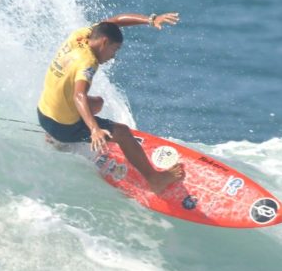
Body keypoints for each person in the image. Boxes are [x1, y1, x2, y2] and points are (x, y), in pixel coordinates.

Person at [37, 12, 185, 194]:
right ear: (104, 42)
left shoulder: (81, 36)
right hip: (62, 127)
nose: (113, 56)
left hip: (43, 114)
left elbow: (113, 22)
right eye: (114, 50)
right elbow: (79, 95)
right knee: (123, 133)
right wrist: (94, 129)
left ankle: (52, 138)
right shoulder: (88, 62)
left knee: (97, 103)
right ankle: (155, 180)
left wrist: (150, 20)